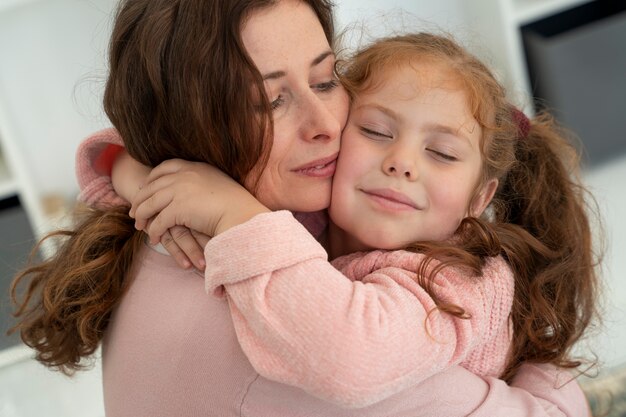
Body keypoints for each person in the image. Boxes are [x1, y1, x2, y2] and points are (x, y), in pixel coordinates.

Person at [9, 0, 593, 415]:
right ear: (186, 125)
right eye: (270, 101)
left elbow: (115, 143)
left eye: (323, 80)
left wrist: (142, 174)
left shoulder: (441, 284)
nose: (323, 127)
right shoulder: (277, 338)